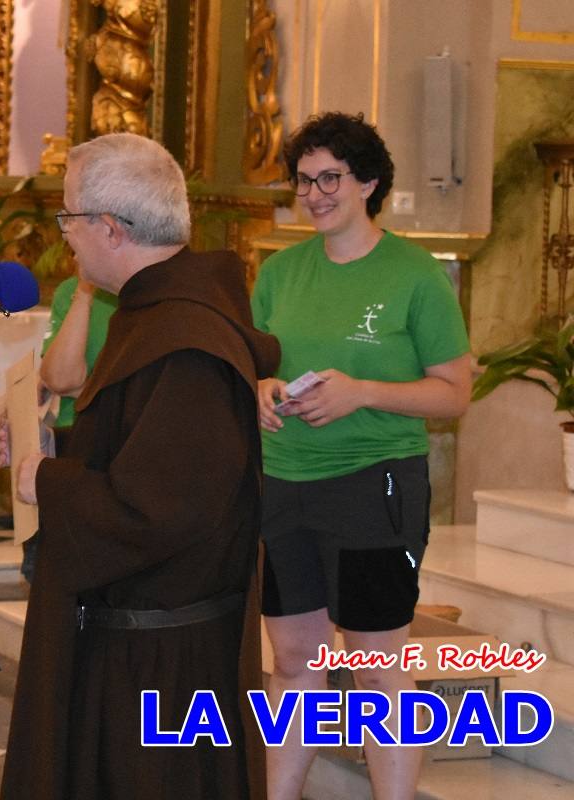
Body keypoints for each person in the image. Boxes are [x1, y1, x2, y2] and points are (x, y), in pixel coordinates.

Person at [0, 132, 280, 800]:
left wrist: (47, 481)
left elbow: (164, 509)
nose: (65, 236)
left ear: (111, 229)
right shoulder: (156, 314)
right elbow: (144, 451)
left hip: (162, 665)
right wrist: (56, 455)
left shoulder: (184, 341)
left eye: (69, 217)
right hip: (144, 644)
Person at [252, 112, 471, 800]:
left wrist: (361, 392)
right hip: (283, 485)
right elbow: (254, 363)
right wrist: (260, 388)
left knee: (376, 667)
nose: (314, 193)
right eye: (304, 180)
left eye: (330, 178)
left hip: (374, 488)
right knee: (292, 660)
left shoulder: (413, 275)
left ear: (368, 183)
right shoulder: (279, 272)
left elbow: (455, 394)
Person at [39, 273, 117, 455]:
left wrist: (81, 390)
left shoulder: (147, 292)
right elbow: (59, 379)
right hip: (71, 434)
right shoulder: (70, 290)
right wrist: (84, 293)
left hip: (128, 437)